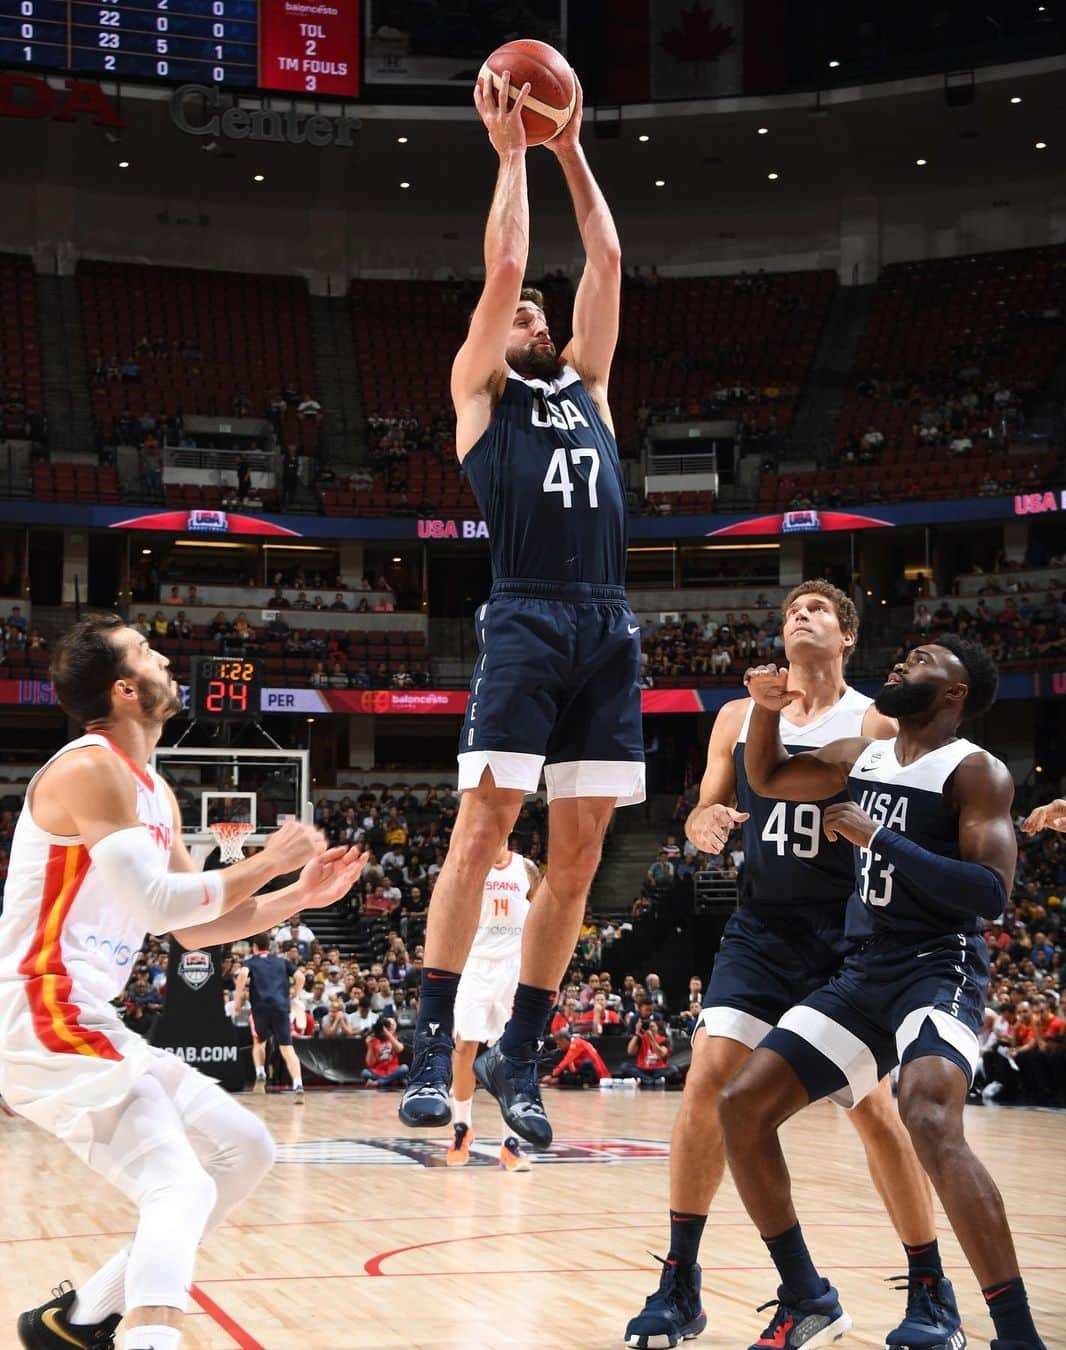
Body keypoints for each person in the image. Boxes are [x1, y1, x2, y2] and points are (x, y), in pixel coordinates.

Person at [1, 613, 364, 1350]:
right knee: (183, 1185)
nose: (165, 655)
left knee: (247, 1148)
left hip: (85, 1014)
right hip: (42, 1008)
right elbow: (157, 905)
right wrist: (268, 860)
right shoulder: (87, 767)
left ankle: (79, 1319)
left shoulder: (155, 793)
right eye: (146, 650)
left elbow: (192, 929)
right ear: (127, 689)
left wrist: (299, 896)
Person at [399, 64, 642, 1151]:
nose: (530, 309)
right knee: (485, 826)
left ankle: (521, 1055)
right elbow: (506, 262)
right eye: (519, 311)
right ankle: (426, 1040)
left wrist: (572, 143)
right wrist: (512, 153)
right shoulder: (478, 397)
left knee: (580, 854)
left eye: (539, 310)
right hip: (530, 615)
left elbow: (609, 258)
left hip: (609, 621)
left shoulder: (588, 385)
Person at [626, 582, 954, 1350]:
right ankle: (681, 1281)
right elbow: (709, 802)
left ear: (845, 636)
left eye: (816, 611)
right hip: (760, 928)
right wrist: (705, 820)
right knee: (706, 1080)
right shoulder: (739, 716)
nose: (798, 618)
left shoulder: (874, 716)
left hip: (847, 931)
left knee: (873, 1109)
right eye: (789, 611)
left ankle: (930, 1283)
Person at [717, 636, 1046, 1350]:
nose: (903, 663)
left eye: (924, 660)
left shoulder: (975, 770)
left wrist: (880, 839)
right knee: (740, 1107)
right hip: (866, 969)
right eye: (906, 656)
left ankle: (1016, 1336)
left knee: (925, 1111)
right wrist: (766, 712)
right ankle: (807, 1295)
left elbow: (989, 894)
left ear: (954, 694)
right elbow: (768, 776)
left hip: (939, 964)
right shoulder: (859, 757)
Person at [446, 842, 539, 1173]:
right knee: (465, 1045)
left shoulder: (526, 869)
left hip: (512, 969)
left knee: (511, 1054)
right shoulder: (470, 864)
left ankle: (510, 1144)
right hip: (475, 964)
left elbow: (541, 913)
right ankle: (461, 1127)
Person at [232, 932, 307, 1102]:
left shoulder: (250, 962)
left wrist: (237, 1002)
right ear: (269, 946)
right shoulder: (282, 962)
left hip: (260, 1008)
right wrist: (295, 993)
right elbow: (300, 976)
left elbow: (242, 974)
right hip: (281, 1008)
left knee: (259, 1042)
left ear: (254, 947)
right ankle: (298, 1084)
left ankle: (260, 1073)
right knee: (287, 1048)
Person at [542, 1028, 608, 1087]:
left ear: (564, 1040)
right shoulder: (576, 1043)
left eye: (559, 1044)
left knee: (585, 1064)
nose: (558, 1046)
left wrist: (552, 1075)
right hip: (594, 1072)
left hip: (596, 1074)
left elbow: (566, 1061)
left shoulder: (576, 1044)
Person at [360, 1018, 408, 1089]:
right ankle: (391, 1080)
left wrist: (387, 1033)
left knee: (404, 1068)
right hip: (378, 1071)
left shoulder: (394, 1038)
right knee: (365, 1072)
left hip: (393, 1070)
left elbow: (400, 1049)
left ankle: (378, 1082)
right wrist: (370, 1045)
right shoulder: (373, 1040)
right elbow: (370, 1063)